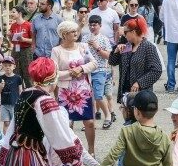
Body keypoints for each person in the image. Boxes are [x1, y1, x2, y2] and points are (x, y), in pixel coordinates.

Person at [51, 21, 98, 155]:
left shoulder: (83, 47)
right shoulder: (56, 50)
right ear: (64, 35)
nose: (76, 33)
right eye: (72, 32)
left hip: (83, 90)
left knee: (89, 122)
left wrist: (81, 68)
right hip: (65, 92)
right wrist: (70, 73)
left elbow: (94, 63)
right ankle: (70, 152)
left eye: (76, 31)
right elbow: (54, 73)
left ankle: (91, 151)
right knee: (67, 124)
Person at [108, 17, 163, 108]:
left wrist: (139, 83)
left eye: (126, 32)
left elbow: (156, 70)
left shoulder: (148, 47)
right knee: (128, 119)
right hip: (126, 91)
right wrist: (116, 50)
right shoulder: (126, 46)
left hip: (142, 93)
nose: (124, 35)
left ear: (133, 32)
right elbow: (112, 62)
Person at [82, 15, 116, 129]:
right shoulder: (84, 38)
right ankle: (90, 122)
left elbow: (108, 57)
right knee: (87, 97)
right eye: (90, 25)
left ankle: (107, 116)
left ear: (100, 26)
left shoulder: (104, 39)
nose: (92, 27)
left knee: (98, 96)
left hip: (100, 70)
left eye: (95, 25)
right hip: (87, 70)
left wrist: (97, 47)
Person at [8, 6, 33, 87]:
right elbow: (12, 41)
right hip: (16, 49)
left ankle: (30, 93)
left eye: (13, 12)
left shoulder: (28, 25)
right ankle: (18, 92)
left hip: (26, 50)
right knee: (15, 71)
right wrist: (9, 36)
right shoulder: (13, 26)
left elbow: (34, 40)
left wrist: (24, 39)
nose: (11, 14)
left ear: (20, 13)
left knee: (27, 73)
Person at [0, 56, 23, 132]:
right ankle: (6, 140)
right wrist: (1, 87)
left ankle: (14, 138)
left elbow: (20, 90)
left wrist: (21, 102)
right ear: (2, 67)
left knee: (15, 123)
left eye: (9, 65)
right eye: (5, 66)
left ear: (14, 66)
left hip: (15, 103)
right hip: (4, 104)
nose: (7, 67)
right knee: (6, 123)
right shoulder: (1, 78)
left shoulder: (18, 78)